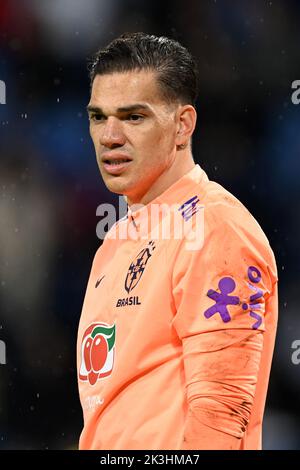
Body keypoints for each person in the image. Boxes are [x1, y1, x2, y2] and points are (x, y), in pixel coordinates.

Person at [77, 32, 278, 450]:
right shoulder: (114, 241)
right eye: (99, 116)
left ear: (182, 124)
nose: (109, 136)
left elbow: (221, 414)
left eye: (134, 117)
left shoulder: (214, 227)